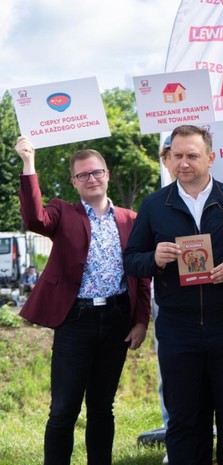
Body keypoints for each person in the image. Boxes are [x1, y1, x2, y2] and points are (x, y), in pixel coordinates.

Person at [13, 136, 151, 465]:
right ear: (74, 182)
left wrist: (141, 321)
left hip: (117, 319)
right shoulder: (63, 212)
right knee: (64, 408)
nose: (91, 179)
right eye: (83, 175)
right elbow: (34, 219)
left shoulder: (131, 220)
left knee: (102, 407)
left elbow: (141, 277)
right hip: (75, 321)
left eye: (96, 172)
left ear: (107, 174)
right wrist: (28, 162)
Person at [124, 124, 223, 464]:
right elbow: (131, 260)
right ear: (168, 159)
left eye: (192, 156)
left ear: (211, 158)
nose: (183, 163)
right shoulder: (154, 205)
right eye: (177, 155)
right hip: (177, 328)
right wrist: (153, 259)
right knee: (183, 418)